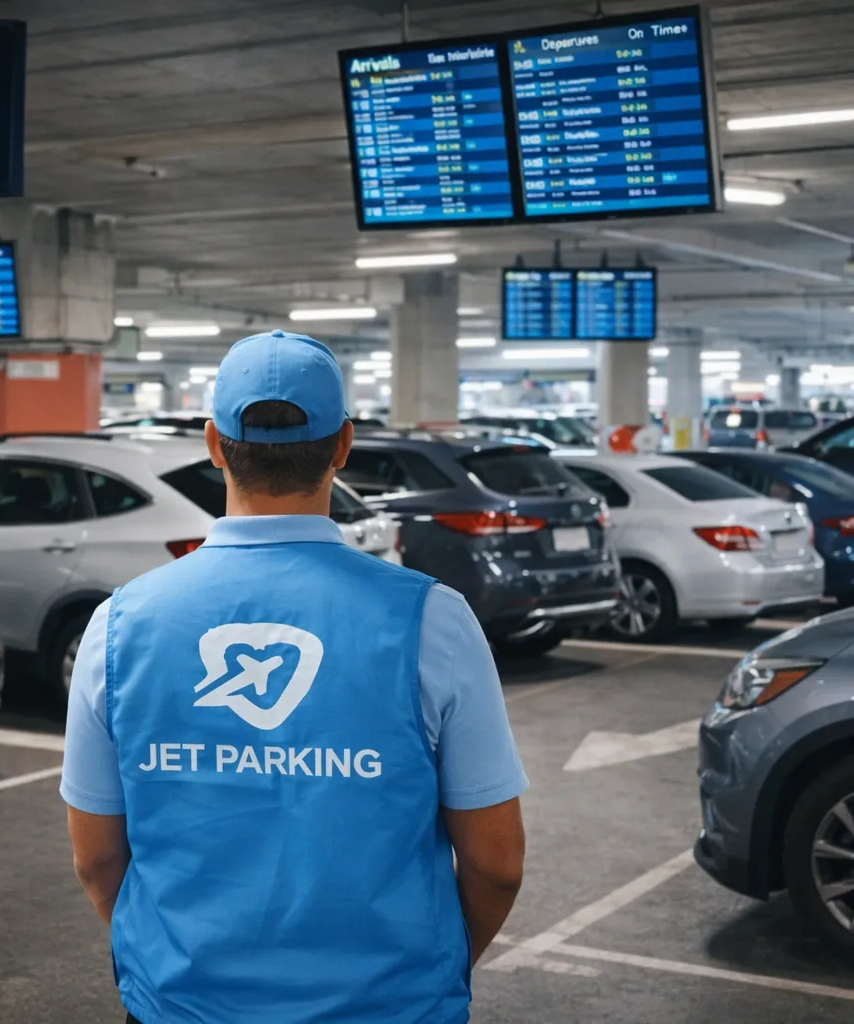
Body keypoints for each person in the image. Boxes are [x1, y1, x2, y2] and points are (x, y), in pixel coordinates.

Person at [61, 330, 527, 1023]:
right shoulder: (431, 622)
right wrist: (434, 968)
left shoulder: (119, 626)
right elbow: (496, 863)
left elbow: (97, 860)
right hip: (391, 1005)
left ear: (215, 445)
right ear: (343, 446)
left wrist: (174, 963)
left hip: (183, 1005)